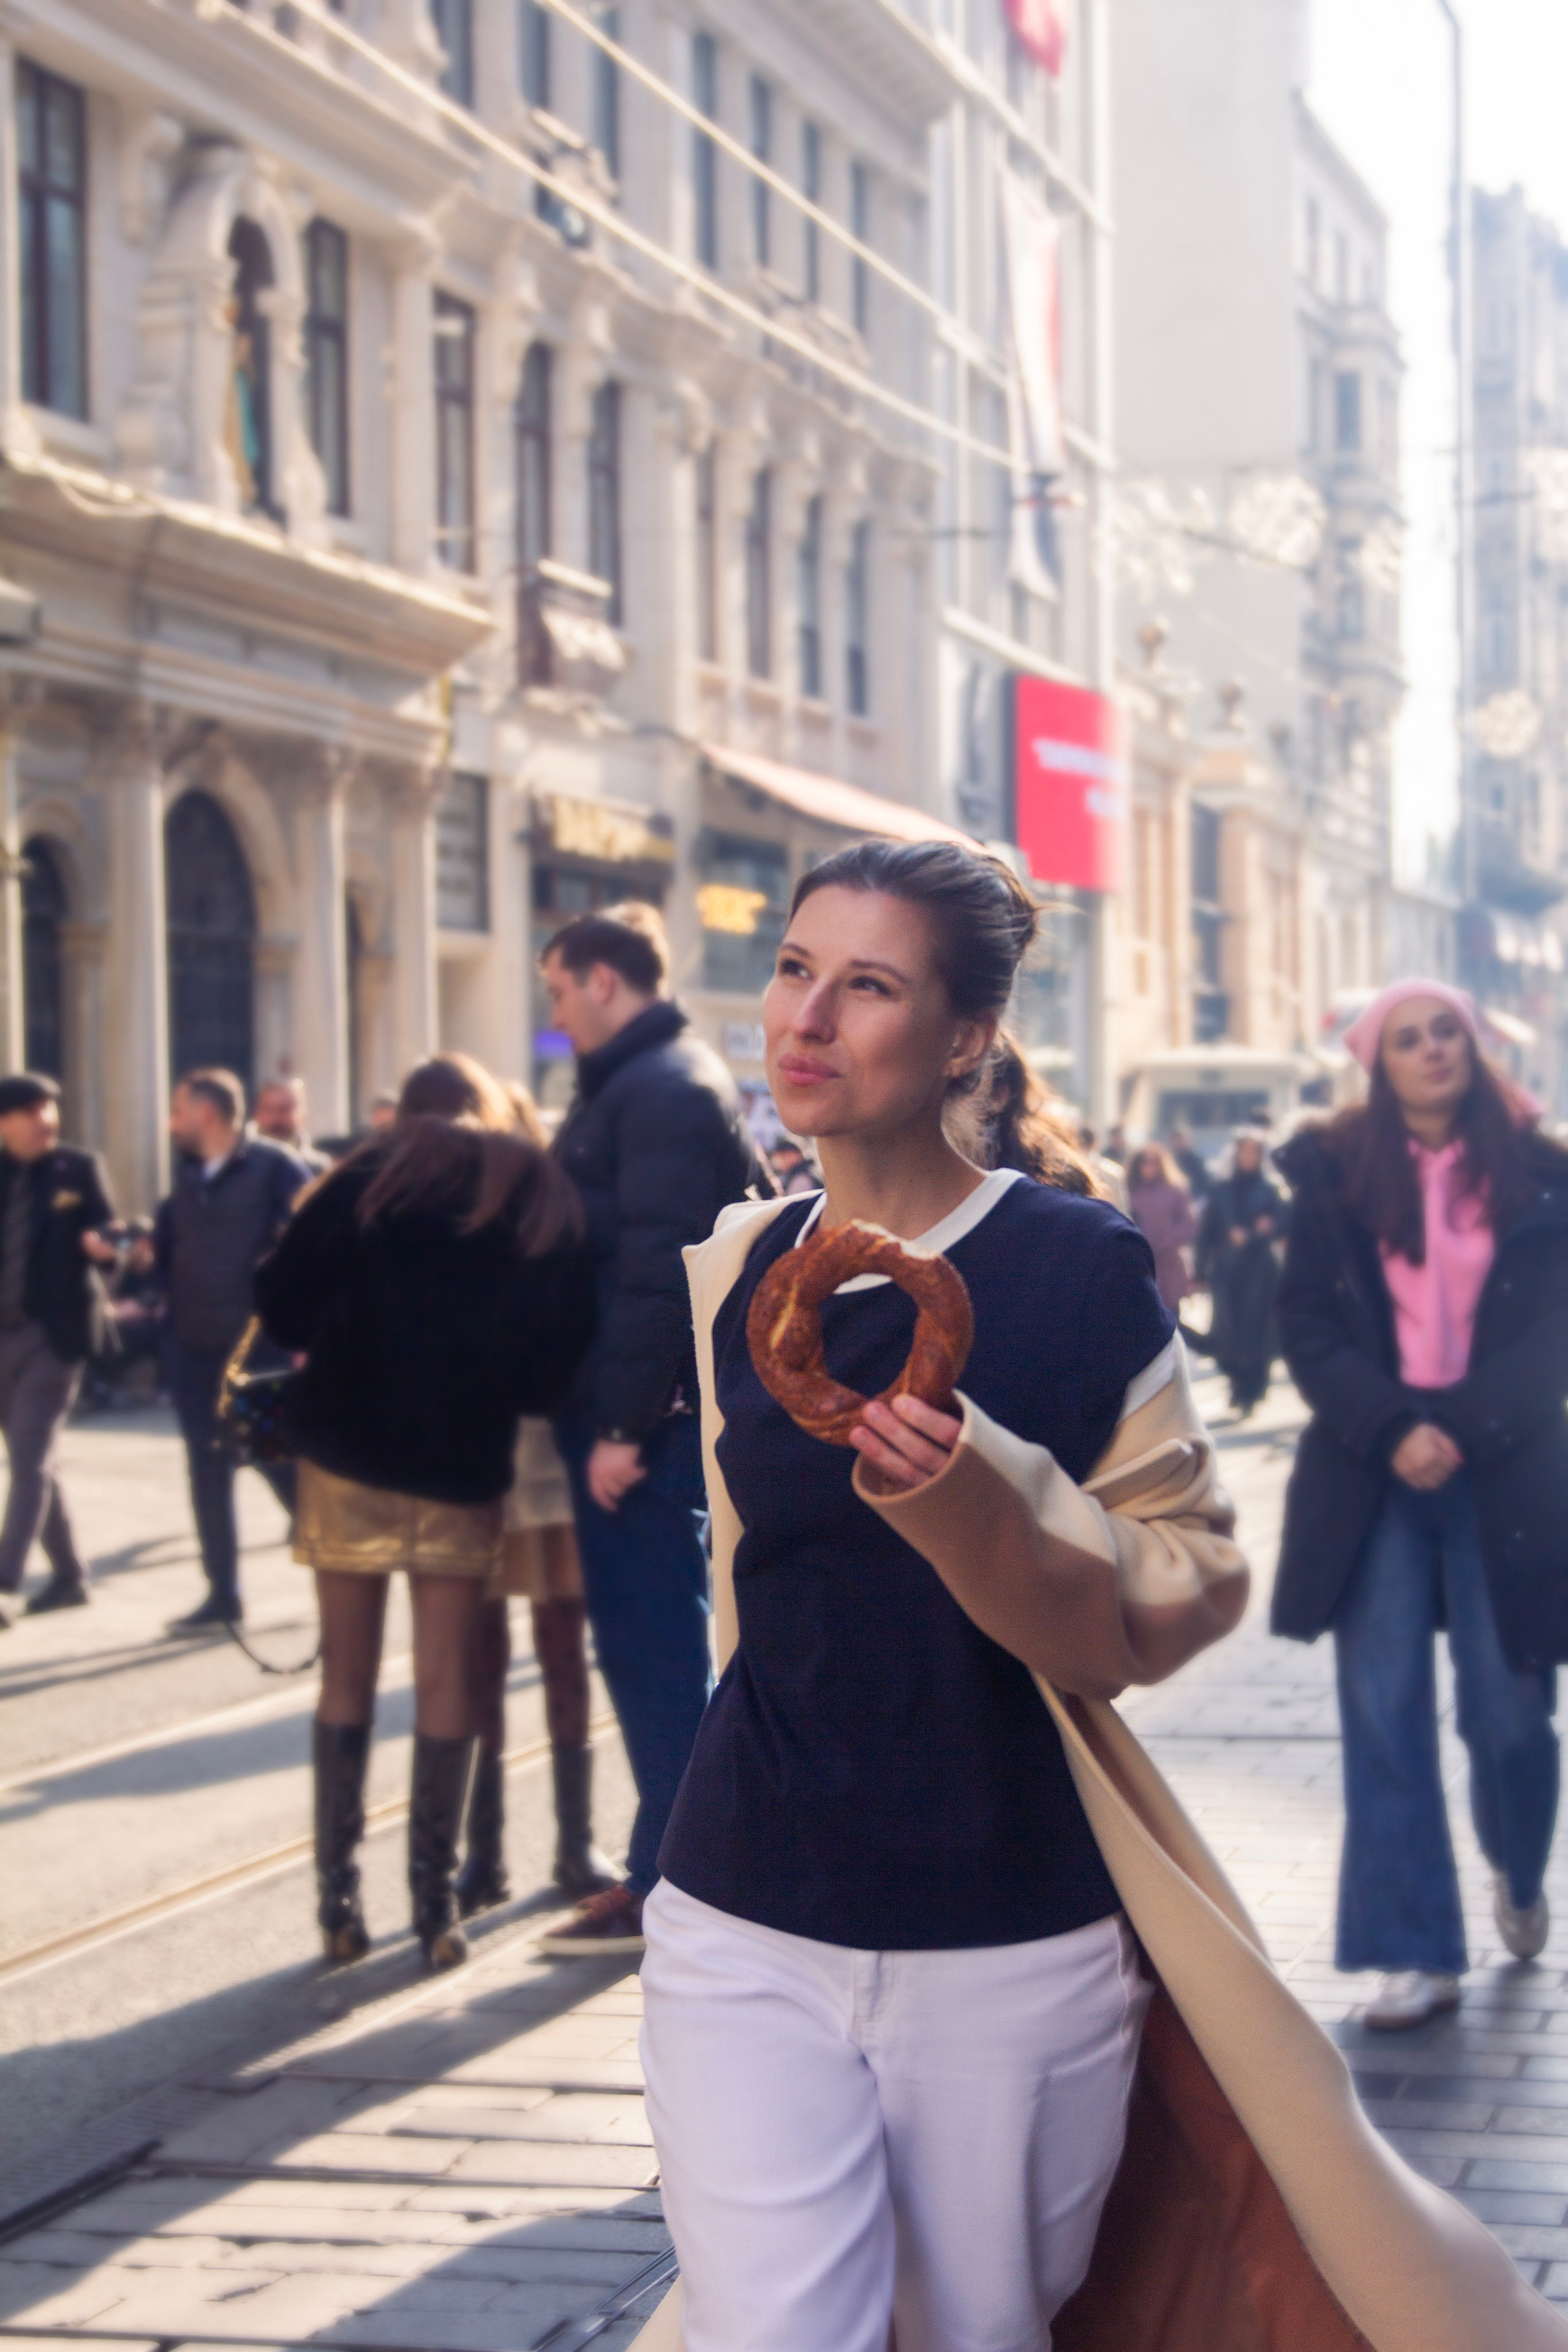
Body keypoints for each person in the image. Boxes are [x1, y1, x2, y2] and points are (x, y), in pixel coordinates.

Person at [638, 839, 1249, 2351]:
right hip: (744, 1897)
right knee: (776, 2331)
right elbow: (746, 1582)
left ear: (964, 1033)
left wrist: (976, 1492)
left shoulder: (1073, 1269)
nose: (806, 1019)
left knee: (977, 2330)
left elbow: (1179, 1583)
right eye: (793, 969)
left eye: (867, 986)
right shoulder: (737, 1272)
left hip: (1007, 1916)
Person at [255, 1053, 594, 1972]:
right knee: (447, 1676)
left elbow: (280, 1313)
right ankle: (435, 1910)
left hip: (347, 1456)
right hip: (460, 1463)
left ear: (404, 1115)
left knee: (347, 1681)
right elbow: (545, 1374)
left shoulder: (356, 1179)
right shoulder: (529, 1188)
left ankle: (338, 1905)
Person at [1274, 981, 1568, 2031]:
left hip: (1510, 1462)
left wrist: (1471, 1428)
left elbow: (1555, 1334)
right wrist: (1394, 1428)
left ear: (1474, 1046)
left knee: (1510, 1719)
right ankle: (1414, 1950)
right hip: (1374, 1466)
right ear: (1379, 1062)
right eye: (1409, 1038)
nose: (1434, 1049)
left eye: (1448, 1030)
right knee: (1384, 1706)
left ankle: (1521, 1873)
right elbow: (1306, 1322)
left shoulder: (1543, 1171)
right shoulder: (1335, 1175)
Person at [538, 902, 771, 1954]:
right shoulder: (643, 1083)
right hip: (628, 1409)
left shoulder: (663, 1089)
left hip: (642, 1423)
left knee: (655, 1654)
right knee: (655, 1651)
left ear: (602, 982)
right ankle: (673, 1865)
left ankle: (676, 1881)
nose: (555, 1013)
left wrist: (624, 1424)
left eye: (556, 991)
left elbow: (655, 1269)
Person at [457, 1079, 616, 1916]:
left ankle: (571, 1839)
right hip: (476, 1461)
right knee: (480, 1654)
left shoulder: (546, 1205)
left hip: (544, 1455)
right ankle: (484, 1851)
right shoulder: (440, 1209)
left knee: (560, 1645)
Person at [153, 1069, 309, 1633]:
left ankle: (336, 1563)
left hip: (257, 1351)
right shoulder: (187, 1177)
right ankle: (223, 1595)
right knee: (207, 1472)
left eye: (178, 1112)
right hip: (194, 1351)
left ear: (206, 1116)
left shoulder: (274, 1168)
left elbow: (312, 1241)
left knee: (277, 1464)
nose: (172, 1124)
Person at [0, 1074, 117, 1624]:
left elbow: (108, 1229)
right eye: (29, 1111)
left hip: (54, 1336)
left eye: (49, 1109)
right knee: (37, 1464)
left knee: (29, 1457)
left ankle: (5, 1580)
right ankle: (69, 1576)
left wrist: (107, 1244)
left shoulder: (79, 1167)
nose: (44, 1120)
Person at [1195, 1128, 1286, 1414]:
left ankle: (1253, 1390)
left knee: (1257, 1330)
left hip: (1260, 1270)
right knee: (1228, 1331)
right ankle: (1236, 1383)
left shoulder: (1271, 1189)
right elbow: (1206, 1232)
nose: (1248, 1157)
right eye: (1244, 1151)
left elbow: (1285, 1222)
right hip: (1228, 1269)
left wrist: (1260, 1232)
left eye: (1254, 1151)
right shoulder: (1220, 1189)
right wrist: (1199, 1271)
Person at [1126, 1141, 1199, 1313]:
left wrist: (1169, 1239)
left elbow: (1189, 1224)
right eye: (1145, 1163)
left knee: (1171, 1313)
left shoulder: (1175, 1190)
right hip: (1141, 1262)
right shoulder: (1131, 1191)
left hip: (1169, 1262)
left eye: (1153, 1163)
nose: (1149, 1167)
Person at [253, 1076, 330, 1175]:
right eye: (268, 1109)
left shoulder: (320, 1168)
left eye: (284, 1109)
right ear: (256, 1114)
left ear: (303, 1117)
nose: (275, 1118)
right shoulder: (238, 1165)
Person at [1167, 1120, 1212, 1200]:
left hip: (1194, 1199)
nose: (1178, 1142)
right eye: (1176, 1139)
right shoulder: (1169, 1160)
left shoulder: (1196, 1160)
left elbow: (1204, 1183)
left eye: (1181, 1138)